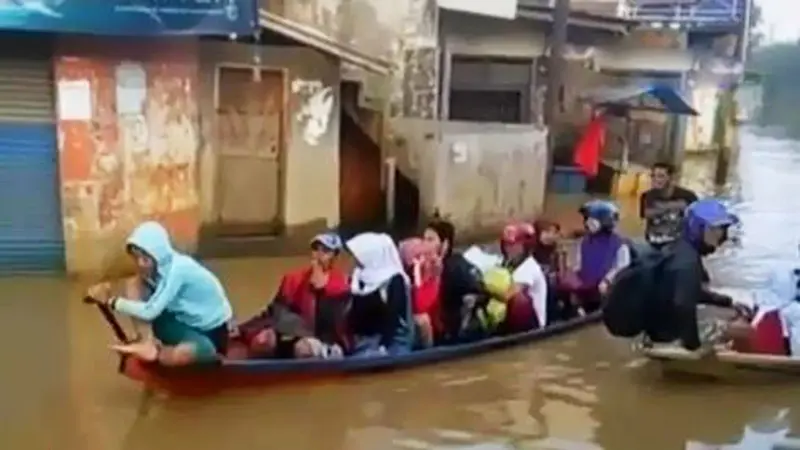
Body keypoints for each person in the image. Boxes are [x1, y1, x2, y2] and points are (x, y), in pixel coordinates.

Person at [87, 221, 233, 366]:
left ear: (158, 255)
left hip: (210, 333)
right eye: (136, 258)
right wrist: (100, 287)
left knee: (183, 355)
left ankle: (157, 354)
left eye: (145, 259)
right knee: (134, 283)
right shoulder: (156, 270)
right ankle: (146, 342)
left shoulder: (178, 270)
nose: (140, 264)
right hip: (180, 322)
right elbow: (121, 274)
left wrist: (111, 301)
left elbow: (150, 312)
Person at [645, 199, 746, 351]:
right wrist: (693, 346)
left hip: (657, 327)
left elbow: (689, 290)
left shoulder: (680, 249)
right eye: (714, 229)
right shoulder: (688, 262)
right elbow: (683, 304)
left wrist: (725, 301)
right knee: (725, 330)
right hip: (666, 337)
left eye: (722, 229)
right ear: (697, 229)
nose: (720, 235)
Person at [235, 232, 350, 359]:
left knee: (304, 349)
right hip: (291, 333)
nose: (319, 254)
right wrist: (243, 328)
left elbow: (335, 326)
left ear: (335, 257)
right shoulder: (293, 279)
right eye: (315, 249)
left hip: (324, 341)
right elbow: (273, 312)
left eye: (326, 251)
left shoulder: (343, 284)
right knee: (262, 341)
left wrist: (319, 291)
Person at [346, 232, 413, 356]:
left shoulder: (394, 280)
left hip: (393, 343)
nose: (354, 260)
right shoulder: (358, 278)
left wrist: (382, 347)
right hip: (365, 343)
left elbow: (393, 318)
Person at [423, 219, 486, 343]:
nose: (424, 244)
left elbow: (479, 290)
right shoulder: (421, 266)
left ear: (445, 244)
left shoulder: (457, 267)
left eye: (430, 240)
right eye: (423, 239)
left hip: (451, 335)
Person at [563, 200, 631, 315]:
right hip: (585, 289)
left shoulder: (619, 244)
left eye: (591, 219)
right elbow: (578, 264)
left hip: (605, 292)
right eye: (586, 219)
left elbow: (621, 267)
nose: (587, 222)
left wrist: (607, 280)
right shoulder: (584, 242)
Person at [498, 222, 548, 332]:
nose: (509, 249)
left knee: (517, 300)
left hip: (532, 324)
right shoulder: (506, 265)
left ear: (524, 246)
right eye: (506, 245)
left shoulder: (529, 267)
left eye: (514, 245)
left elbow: (509, 294)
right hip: (513, 319)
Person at [640, 162, 698, 250]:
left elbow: (697, 221)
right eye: (653, 176)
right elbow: (646, 213)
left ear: (671, 178)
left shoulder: (688, 196)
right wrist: (672, 206)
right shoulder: (647, 196)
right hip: (654, 246)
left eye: (661, 176)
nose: (656, 179)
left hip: (679, 248)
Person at [398, 237, 442, 348]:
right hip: (410, 330)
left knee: (422, 319)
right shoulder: (403, 279)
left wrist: (417, 274)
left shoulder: (433, 278)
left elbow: (420, 306)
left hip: (435, 333)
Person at [532, 219, 570, 322]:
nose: (550, 236)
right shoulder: (532, 251)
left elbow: (562, 272)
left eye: (553, 232)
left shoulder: (558, 251)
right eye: (546, 232)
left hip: (554, 286)